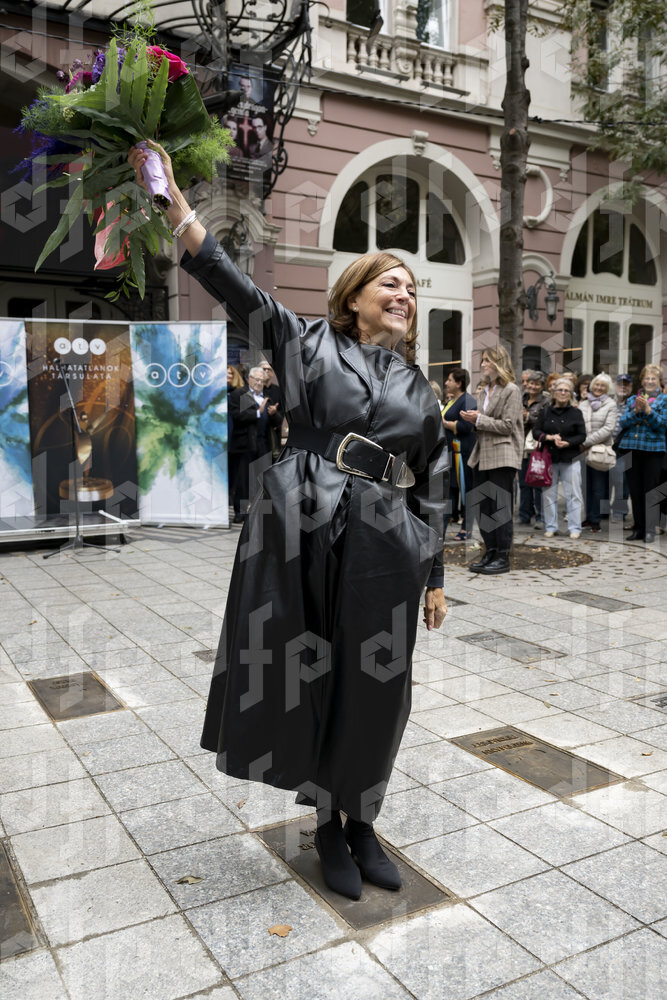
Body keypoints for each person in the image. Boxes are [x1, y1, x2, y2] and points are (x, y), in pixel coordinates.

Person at [128, 140, 449, 901]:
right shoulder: (306, 343)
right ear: (354, 294)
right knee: (310, 673)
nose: (403, 294)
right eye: (390, 282)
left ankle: (361, 820)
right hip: (304, 528)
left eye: (411, 288)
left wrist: (433, 572)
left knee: (378, 685)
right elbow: (233, 286)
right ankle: (328, 826)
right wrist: (176, 208)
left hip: (387, 547)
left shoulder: (419, 388)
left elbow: (434, 483)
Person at [461, 345, 523, 574]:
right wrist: (474, 420)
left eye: (488, 360)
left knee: (500, 508)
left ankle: (502, 557)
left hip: (503, 455)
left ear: (499, 363)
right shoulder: (484, 391)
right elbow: (485, 423)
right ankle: (490, 551)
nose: (483, 364)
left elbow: (508, 426)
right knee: (483, 508)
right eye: (483, 360)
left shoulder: (511, 390)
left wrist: (479, 420)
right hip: (482, 455)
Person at [616, 363, 667, 543]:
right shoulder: (632, 399)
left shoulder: (664, 400)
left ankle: (649, 530)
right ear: (642, 380)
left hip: (653, 450)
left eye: (653, 378)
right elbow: (623, 422)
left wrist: (648, 411)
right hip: (631, 448)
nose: (650, 381)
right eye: (647, 378)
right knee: (635, 490)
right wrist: (637, 411)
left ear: (659, 381)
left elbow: (662, 425)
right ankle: (638, 528)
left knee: (650, 491)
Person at [227, 366, 282, 524]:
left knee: (263, 480)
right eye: (256, 379)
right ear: (249, 379)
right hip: (244, 444)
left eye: (262, 380)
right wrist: (258, 412)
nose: (259, 383)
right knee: (243, 480)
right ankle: (241, 513)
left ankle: (263, 514)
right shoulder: (240, 394)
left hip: (264, 443)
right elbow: (237, 415)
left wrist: (274, 414)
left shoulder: (267, 397)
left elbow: (277, 421)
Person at [533, 378, 586, 539]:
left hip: (570, 458)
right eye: (560, 390)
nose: (563, 393)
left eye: (566, 390)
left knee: (574, 494)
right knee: (549, 494)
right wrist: (548, 437)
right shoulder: (545, 412)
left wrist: (568, 442)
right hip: (549, 458)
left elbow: (582, 435)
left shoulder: (576, 413)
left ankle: (575, 527)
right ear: (554, 393)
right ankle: (551, 526)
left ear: (571, 394)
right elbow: (536, 432)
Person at [442, 368, 477, 541]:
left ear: (459, 383)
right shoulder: (452, 400)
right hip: (450, 453)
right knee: (450, 490)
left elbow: (466, 426)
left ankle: (466, 528)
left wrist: (445, 424)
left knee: (466, 489)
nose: (446, 383)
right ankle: (442, 528)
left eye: (450, 380)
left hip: (463, 454)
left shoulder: (467, 400)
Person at [579, 373, 616, 532]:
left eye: (603, 386)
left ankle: (596, 520)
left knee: (598, 487)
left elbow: (608, 429)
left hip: (600, 451)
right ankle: (588, 518)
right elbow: (578, 425)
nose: (599, 388)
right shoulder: (583, 404)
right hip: (583, 452)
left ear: (607, 389)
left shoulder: (611, 404)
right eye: (596, 384)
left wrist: (586, 442)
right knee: (585, 487)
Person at [519, 370, 548, 527]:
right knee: (523, 482)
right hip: (520, 445)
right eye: (531, 383)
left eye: (537, 384)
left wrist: (527, 417)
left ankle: (541, 517)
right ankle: (524, 515)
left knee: (537, 482)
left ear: (542, 386)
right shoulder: (520, 399)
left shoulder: (546, 402)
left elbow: (545, 421)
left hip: (537, 446)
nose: (533, 386)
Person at [611, 374, 633, 523]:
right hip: (605, 446)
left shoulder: (633, 403)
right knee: (604, 482)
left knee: (621, 481)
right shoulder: (608, 402)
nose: (623, 387)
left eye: (626, 384)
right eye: (620, 384)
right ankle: (602, 511)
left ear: (631, 387)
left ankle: (619, 512)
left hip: (624, 448)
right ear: (615, 386)